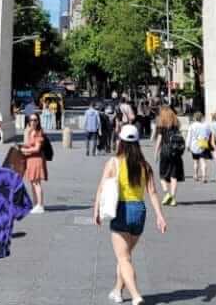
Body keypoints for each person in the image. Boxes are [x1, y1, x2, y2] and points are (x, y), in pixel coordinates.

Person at [93, 124, 168, 305]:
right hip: (139, 211)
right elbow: (153, 192)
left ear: (121, 141)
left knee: (124, 258)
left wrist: (96, 210)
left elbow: (102, 188)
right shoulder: (145, 165)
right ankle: (118, 291)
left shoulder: (114, 162)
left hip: (121, 210)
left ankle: (135, 296)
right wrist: (160, 216)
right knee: (125, 256)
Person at [154, 106, 186, 205]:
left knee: (162, 175)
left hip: (165, 150)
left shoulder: (161, 123)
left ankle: (167, 193)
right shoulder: (176, 123)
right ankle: (173, 198)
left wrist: (156, 152)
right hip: (175, 151)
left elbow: (159, 139)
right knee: (174, 175)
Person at [20, 113, 49, 209]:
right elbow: (27, 144)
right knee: (32, 182)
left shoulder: (38, 132)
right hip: (30, 159)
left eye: (35, 120)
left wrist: (25, 150)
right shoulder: (30, 131)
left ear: (38, 121)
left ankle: (40, 205)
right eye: (31, 120)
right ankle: (35, 203)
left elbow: (37, 148)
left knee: (37, 183)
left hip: (37, 159)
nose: (33, 122)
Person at [186, 110, 214, 184]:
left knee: (195, 161)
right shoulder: (205, 125)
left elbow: (189, 136)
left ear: (195, 118)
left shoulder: (192, 126)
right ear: (201, 118)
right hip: (203, 144)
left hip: (194, 145)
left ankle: (195, 175)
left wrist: (187, 145)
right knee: (203, 161)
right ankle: (204, 176)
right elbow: (208, 135)